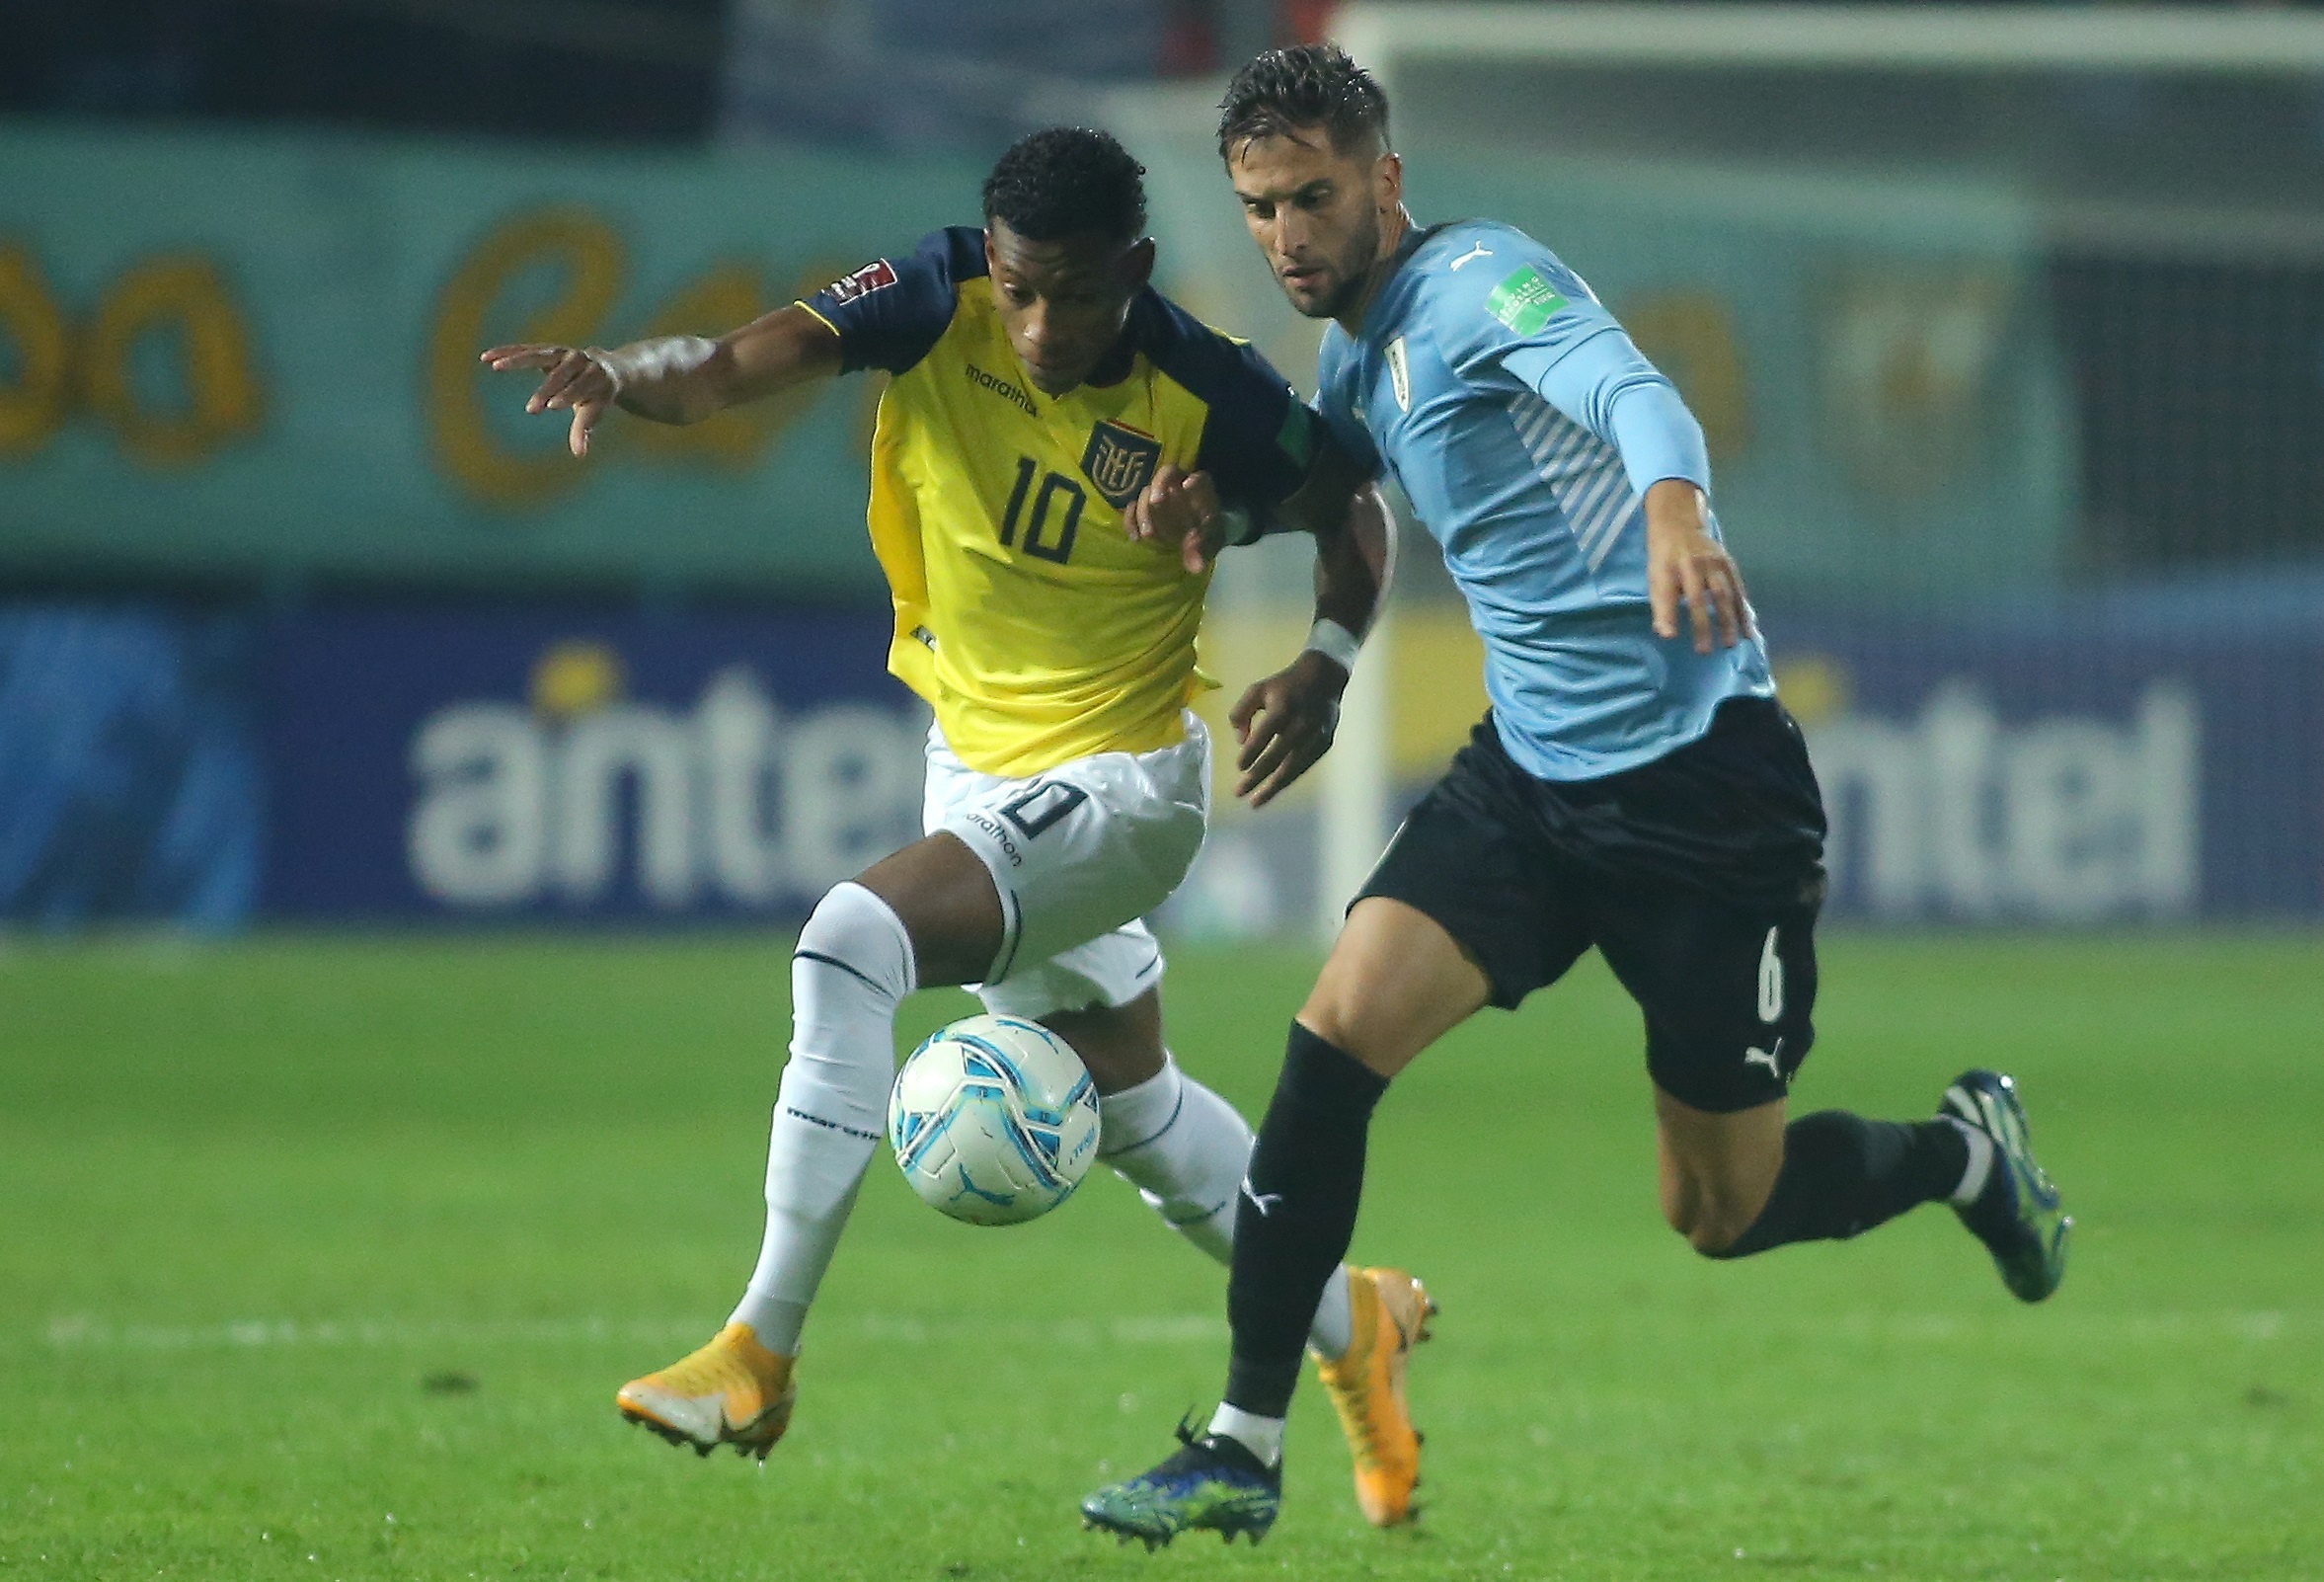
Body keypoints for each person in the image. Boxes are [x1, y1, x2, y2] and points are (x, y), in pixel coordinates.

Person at [1081, 46, 2072, 1548]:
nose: (1286, 234)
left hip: (1702, 797)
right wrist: (1265, 581)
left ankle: (1964, 1154)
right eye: (1261, 206)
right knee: (1332, 1032)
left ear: (1384, 181)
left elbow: (1629, 390)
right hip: (1531, 784)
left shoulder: (1482, 284)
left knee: (1718, 1211)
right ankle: (1240, 1441)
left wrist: (1674, 514)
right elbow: (1336, 497)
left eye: (1312, 197)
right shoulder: (1356, 359)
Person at [482, 125, 1436, 1522]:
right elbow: (734, 363)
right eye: (1020, 287)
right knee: (1132, 1106)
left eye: (1077, 294)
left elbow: (1346, 508)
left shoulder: (1202, 384)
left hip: (1119, 785)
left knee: (848, 939)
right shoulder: (930, 299)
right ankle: (1356, 1325)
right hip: (974, 766)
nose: (1042, 325)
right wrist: (625, 375)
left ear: (1137, 266)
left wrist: (1321, 650)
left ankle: (759, 1347)